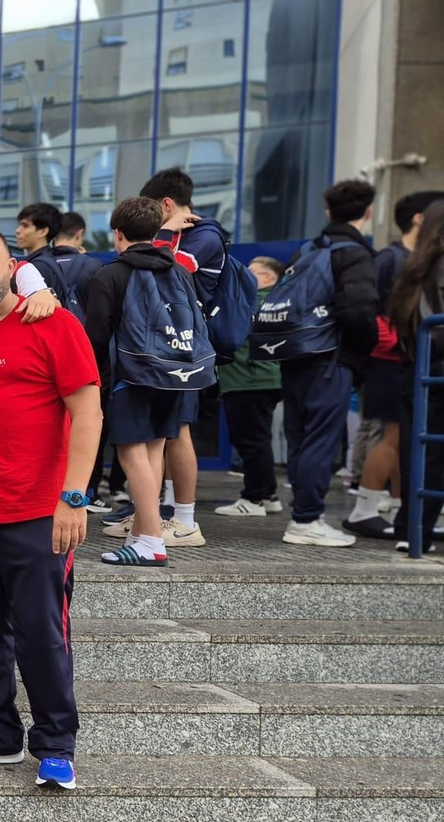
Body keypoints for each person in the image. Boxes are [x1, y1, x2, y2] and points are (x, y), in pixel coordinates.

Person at [0, 228, 101, 792]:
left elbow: (88, 413)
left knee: (41, 632)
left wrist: (73, 497)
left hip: (36, 511)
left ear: (12, 265)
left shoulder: (52, 323)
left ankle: (56, 743)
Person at [87, 198, 207, 566]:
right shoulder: (179, 270)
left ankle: (150, 542)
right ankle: (143, 530)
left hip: (132, 377)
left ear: (118, 234)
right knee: (154, 450)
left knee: (131, 453)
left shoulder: (110, 274)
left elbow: (95, 335)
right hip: (175, 375)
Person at [275, 180, 381, 546]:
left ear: (327, 212)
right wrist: (360, 357)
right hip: (331, 359)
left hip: (295, 354)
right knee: (321, 440)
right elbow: (361, 310)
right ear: (368, 213)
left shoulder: (306, 250)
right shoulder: (355, 253)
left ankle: (302, 517)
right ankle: (306, 521)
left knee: (300, 438)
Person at [139, 167, 225, 548]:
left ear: (167, 205)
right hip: (169, 344)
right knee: (165, 430)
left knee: (179, 431)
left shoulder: (203, 237)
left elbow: (162, 272)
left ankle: (186, 521)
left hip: (186, 347)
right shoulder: (185, 235)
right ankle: (157, 513)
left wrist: (164, 232)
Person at [389, 199, 444, 552]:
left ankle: (412, 527)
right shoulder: (437, 265)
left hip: (417, 369)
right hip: (435, 370)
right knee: (430, 455)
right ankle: (416, 530)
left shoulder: (416, 264)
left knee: (419, 453)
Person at [215, 258, 286, 517]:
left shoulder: (252, 303)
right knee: (258, 438)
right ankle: (269, 494)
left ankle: (253, 498)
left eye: (251, 273)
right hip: (259, 379)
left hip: (249, 379)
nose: (243, 277)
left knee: (251, 440)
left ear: (268, 279)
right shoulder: (275, 303)